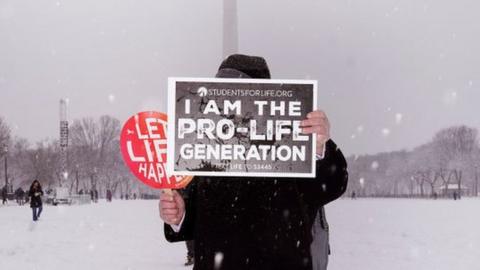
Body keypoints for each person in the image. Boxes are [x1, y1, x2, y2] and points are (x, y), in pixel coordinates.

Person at [159, 54, 348, 270]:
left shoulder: (292, 143)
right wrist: (179, 214)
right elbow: (192, 217)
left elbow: (331, 186)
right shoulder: (204, 148)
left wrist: (320, 147)